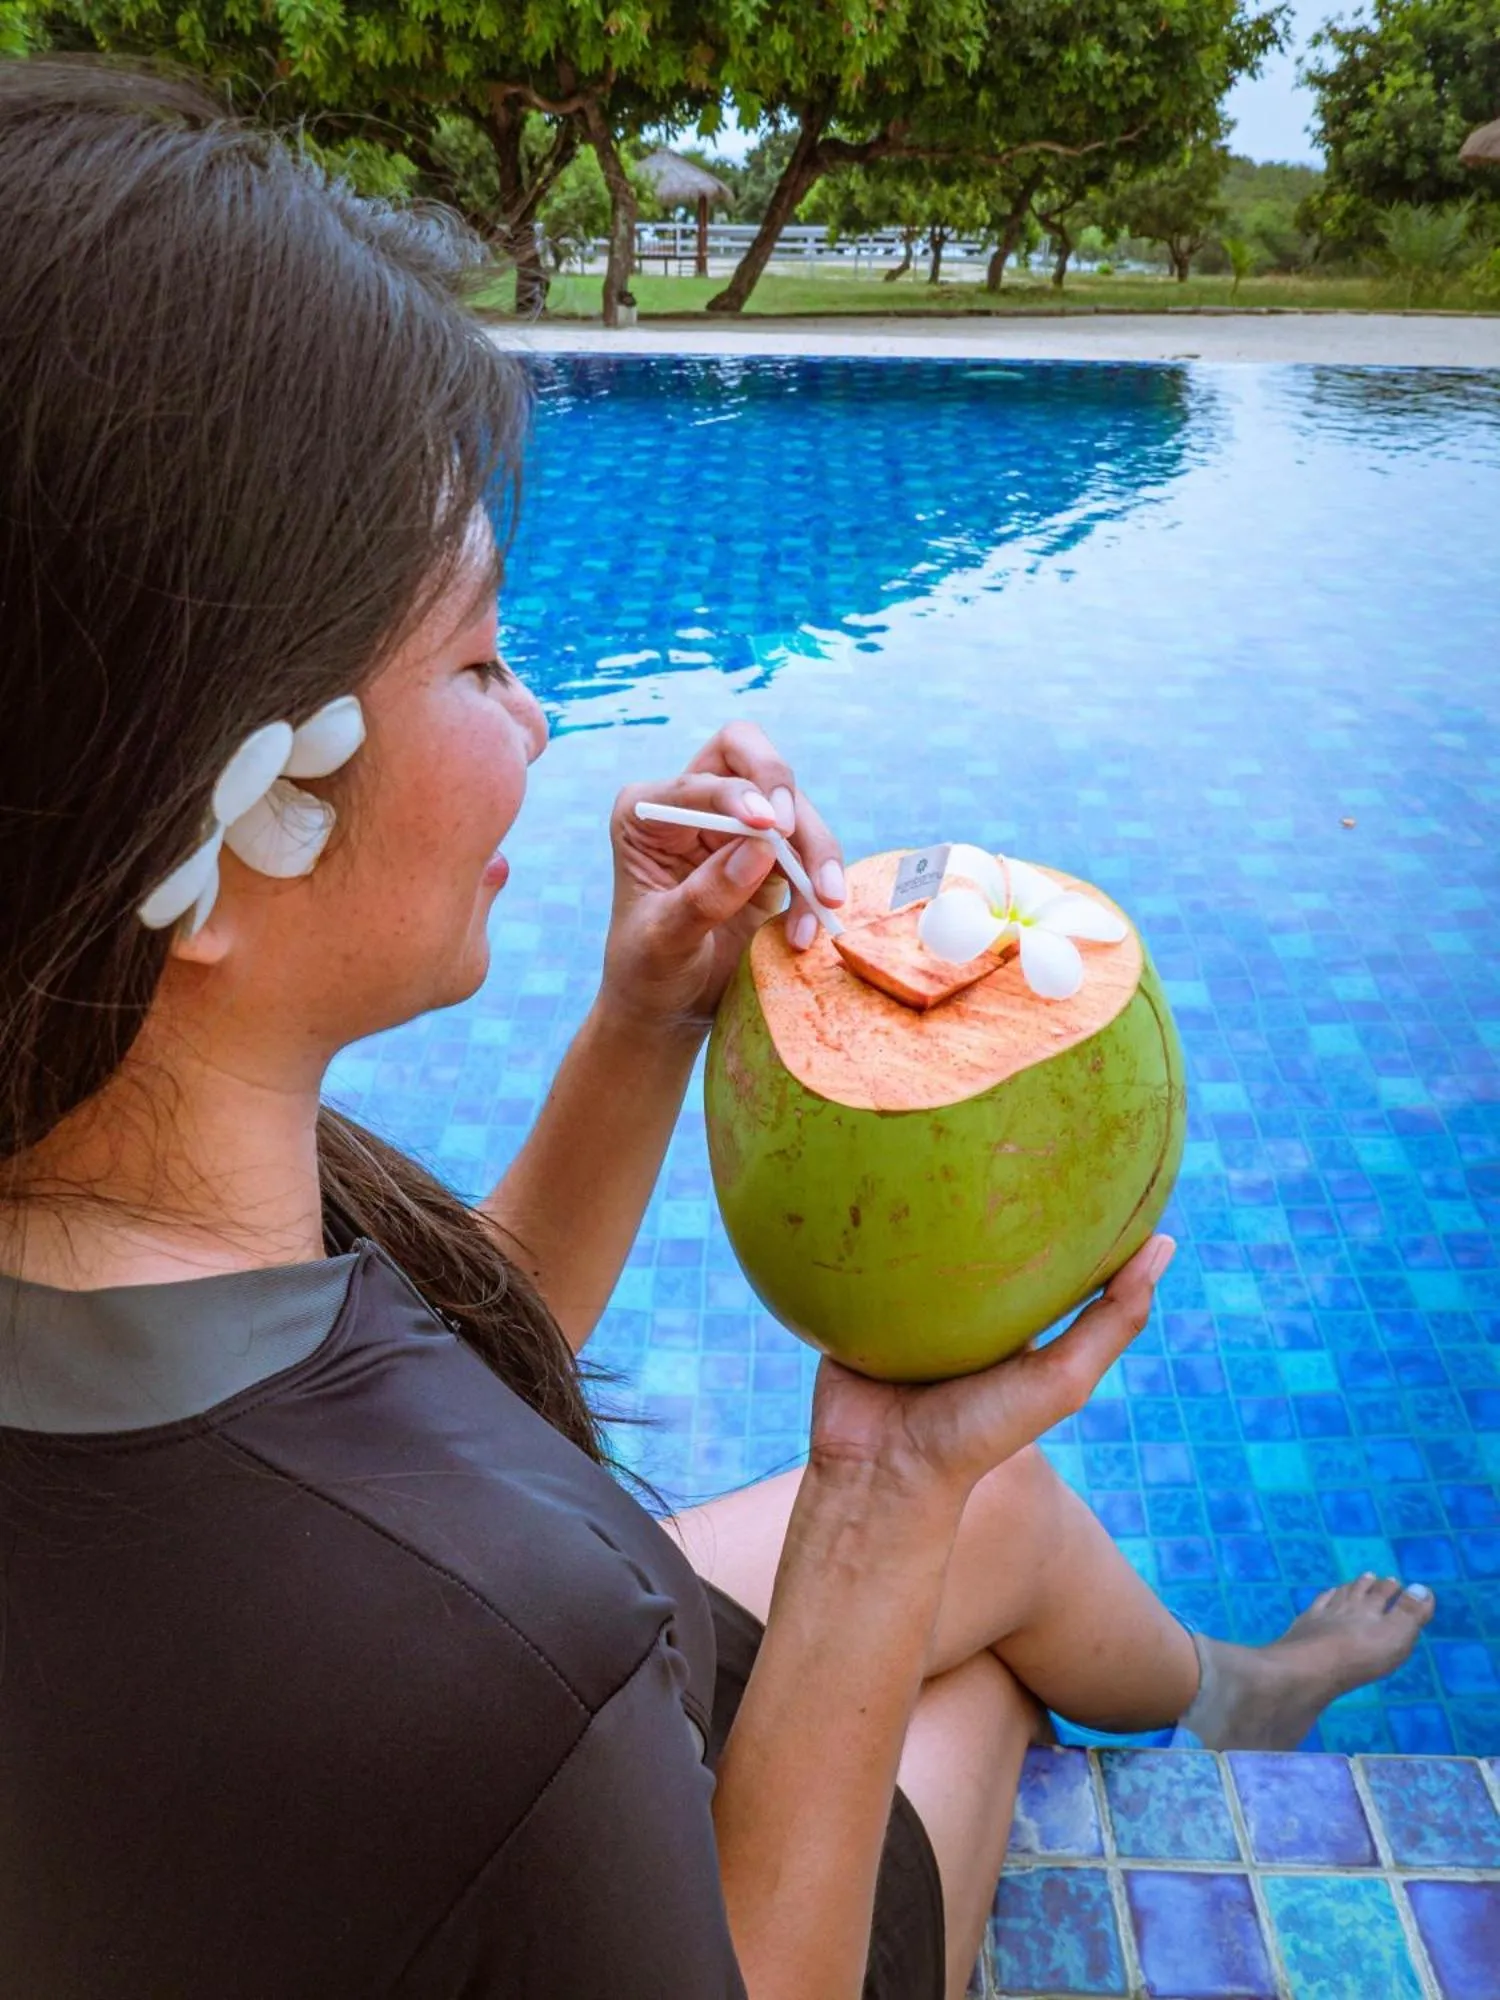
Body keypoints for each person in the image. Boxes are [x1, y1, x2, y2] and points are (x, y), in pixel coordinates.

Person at [0, 59, 1435, 2000]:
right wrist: (873, 1500)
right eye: (483, 656)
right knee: (987, 1642)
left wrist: (646, 1007)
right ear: (212, 820)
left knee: (995, 1508)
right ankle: (1166, 1697)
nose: (534, 725)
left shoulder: (109, 1211)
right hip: (665, 1863)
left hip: (458, 1784)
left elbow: (432, 1377)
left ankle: (1231, 1683)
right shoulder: (493, 1631)